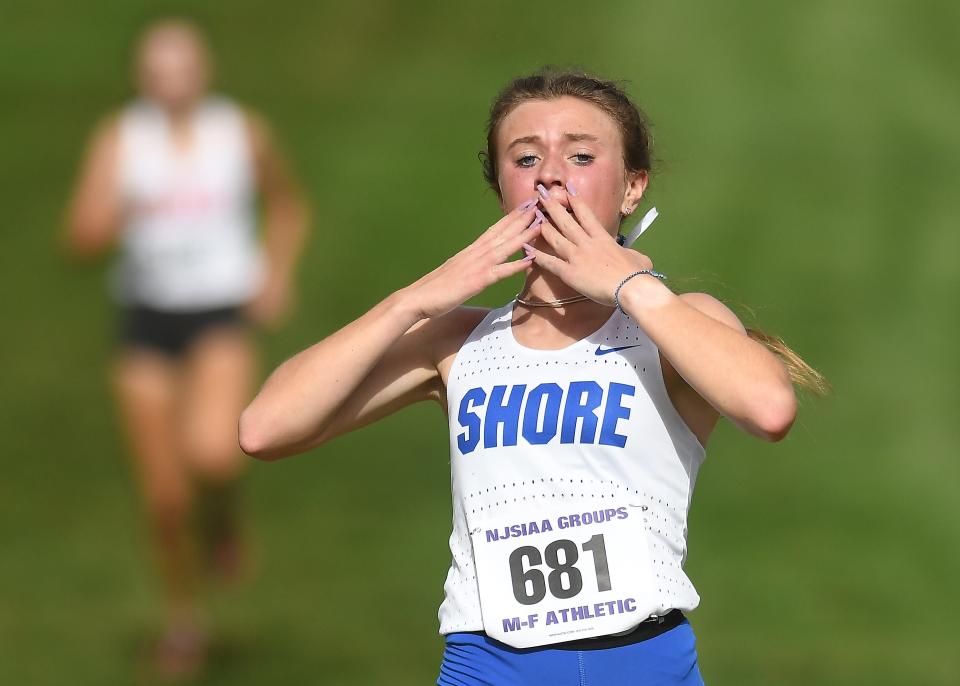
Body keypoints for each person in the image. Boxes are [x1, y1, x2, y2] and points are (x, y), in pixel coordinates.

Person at [238, 69, 824, 685]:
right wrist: (411, 302)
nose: (550, 172)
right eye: (524, 157)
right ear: (501, 189)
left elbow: (769, 408)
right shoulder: (458, 341)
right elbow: (265, 428)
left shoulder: (674, 326)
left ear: (632, 188)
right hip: (486, 666)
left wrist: (628, 284)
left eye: (580, 154)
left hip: (643, 664)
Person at [62, 19, 310, 677]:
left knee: (214, 453)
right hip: (146, 322)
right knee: (165, 497)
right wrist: (114, 215)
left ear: (203, 72)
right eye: (158, 72)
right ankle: (184, 620)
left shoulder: (239, 133)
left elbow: (288, 207)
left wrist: (275, 274)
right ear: (143, 78)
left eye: (182, 69)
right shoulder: (121, 140)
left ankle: (225, 519)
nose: (171, 84)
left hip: (218, 315)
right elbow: (80, 237)